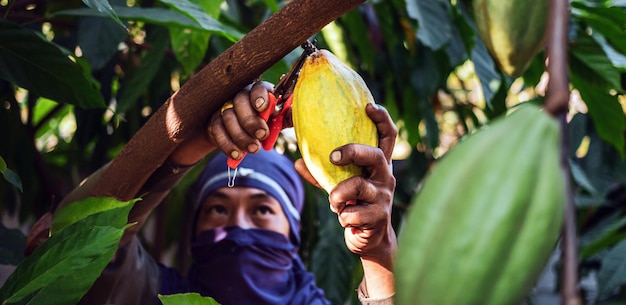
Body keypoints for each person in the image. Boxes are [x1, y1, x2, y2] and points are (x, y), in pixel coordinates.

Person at [55, 81, 398, 305]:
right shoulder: (150, 295)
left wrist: (378, 249)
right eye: (218, 210)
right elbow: (77, 243)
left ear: (293, 233)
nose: (238, 228)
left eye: (262, 210)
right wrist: (197, 140)